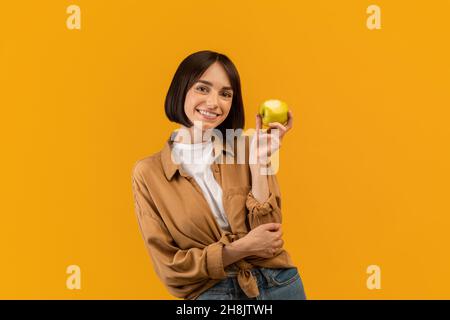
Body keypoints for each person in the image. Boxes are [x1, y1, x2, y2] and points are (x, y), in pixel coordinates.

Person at [131, 50, 306, 300]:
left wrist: (258, 163)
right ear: (181, 90)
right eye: (203, 89)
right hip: (213, 293)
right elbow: (170, 267)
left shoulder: (247, 147)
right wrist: (241, 248)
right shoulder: (148, 173)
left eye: (225, 94)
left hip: (279, 284)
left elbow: (270, 236)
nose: (214, 103)